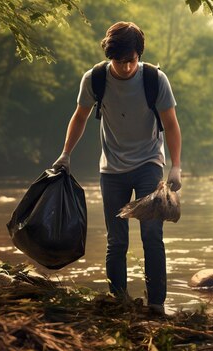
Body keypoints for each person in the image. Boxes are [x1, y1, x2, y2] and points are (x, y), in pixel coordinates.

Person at [52, 22, 181, 315]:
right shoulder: (95, 79)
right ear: (110, 57)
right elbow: (80, 117)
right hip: (111, 169)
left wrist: (176, 166)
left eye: (130, 61)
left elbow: (171, 124)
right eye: (118, 61)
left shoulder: (154, 79)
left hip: (149, 162)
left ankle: (157, 304)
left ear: (139, 55)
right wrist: (65, 154)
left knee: (151, 234)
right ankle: (118, 301)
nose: (124, 67)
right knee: (116, 239)